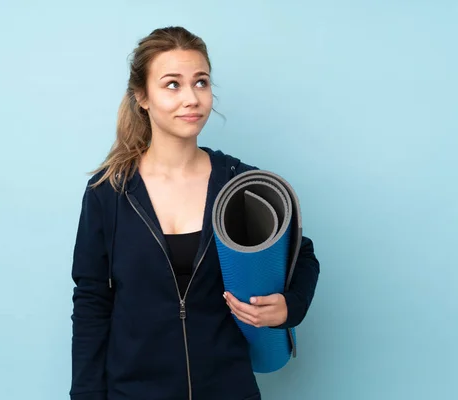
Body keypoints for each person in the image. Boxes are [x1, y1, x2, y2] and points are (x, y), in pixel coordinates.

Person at [70, 26, 320, 400]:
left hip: (229, 389)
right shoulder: (108, 193)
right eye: (172, 84)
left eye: (200, 82)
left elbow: (303, 256)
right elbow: (91, 302)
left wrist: (289, 307)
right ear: (142, 96)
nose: (191, 98)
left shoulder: (241, 185)